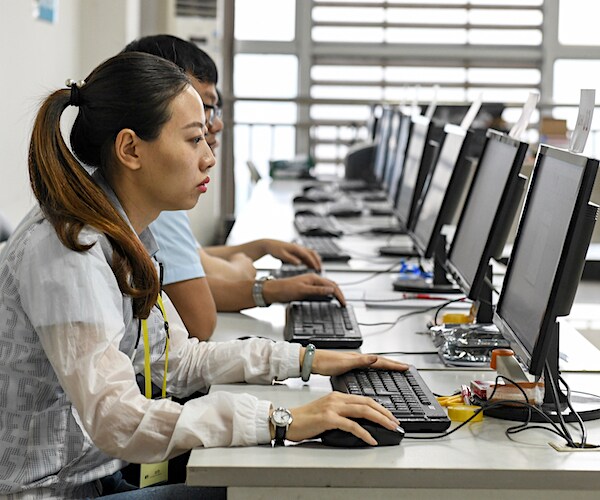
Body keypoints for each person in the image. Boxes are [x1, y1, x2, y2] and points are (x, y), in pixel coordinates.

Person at [0, 51, 408, 499]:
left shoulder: (122, 230)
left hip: (94, 475)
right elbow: (116, 418)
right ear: (130, 149)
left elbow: (174, 361)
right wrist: (279, 420)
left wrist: (303, 360)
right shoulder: (69, 251)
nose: (209, 157)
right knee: (279, 491)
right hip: (56, 491)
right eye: (194, 140)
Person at [122, 35, 342, 341]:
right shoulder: (148, 200)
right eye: (201, 109)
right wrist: (258, 280)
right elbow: (200, 318)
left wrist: (260, 250)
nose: (215, 125)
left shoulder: (140, 199)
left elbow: (197, 263)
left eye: (209, 111)